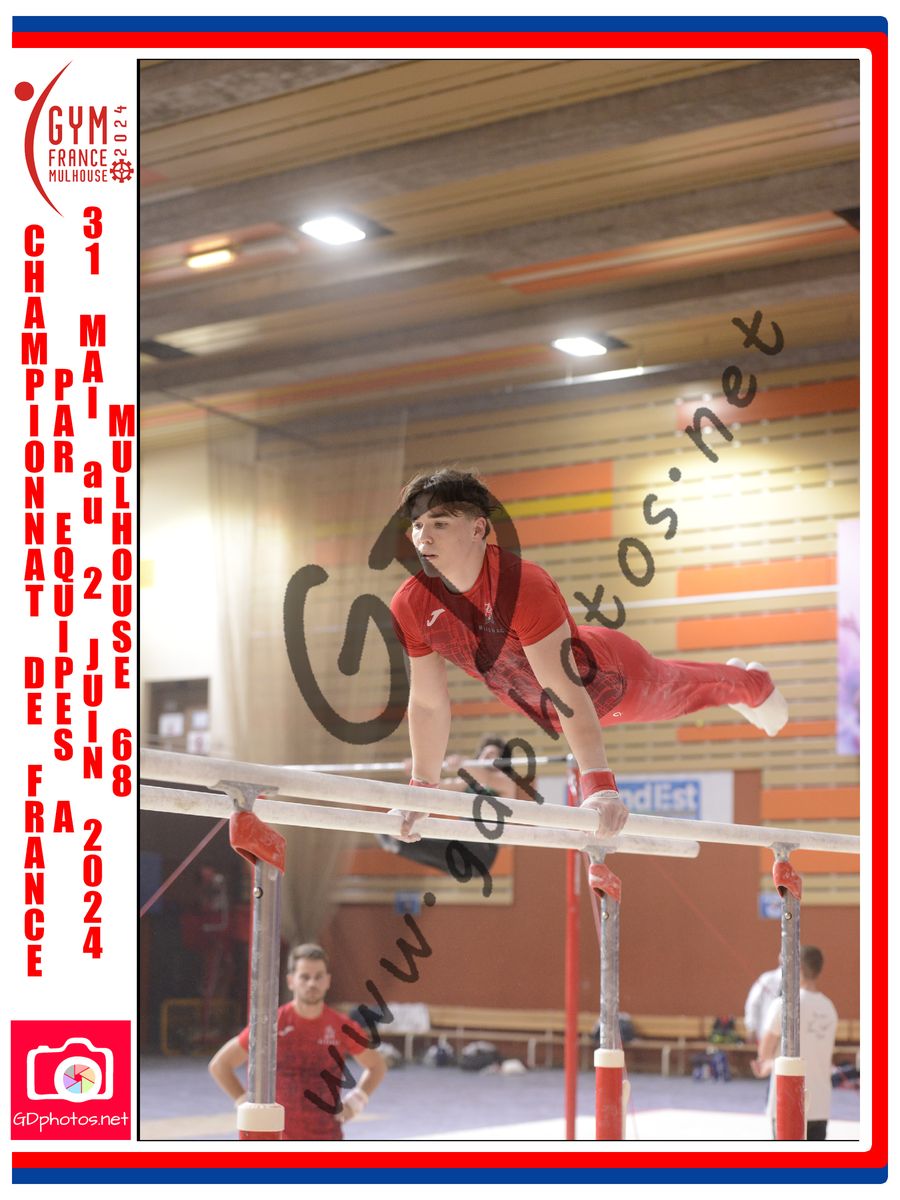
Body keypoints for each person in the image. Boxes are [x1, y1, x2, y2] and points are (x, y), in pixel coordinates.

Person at [388, 468, 788, 839]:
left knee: (684, 691)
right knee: (682, 685)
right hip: (545, 701)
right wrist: (422, 790)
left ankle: (752, 684)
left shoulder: (521, 585)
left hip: (609, 681)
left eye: (439, 523)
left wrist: (598, 784)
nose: (423, 538)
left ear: (478, 528)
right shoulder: (411, 604)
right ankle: (739, 680)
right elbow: (427, 703)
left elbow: (564, 688)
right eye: (417, 525)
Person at [209, 943, 386, 1140]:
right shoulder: (271, 1024)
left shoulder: (341, 1026)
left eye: (318, 977)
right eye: (305, 977)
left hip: (326, 1138)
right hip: (277, 1138)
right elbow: (220, 1065)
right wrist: (245, 1103)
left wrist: (356, 1101)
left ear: (328, 981)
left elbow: (377, 1065)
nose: (312, 983)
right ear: (291, 981)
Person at [378, 732, 525, 873]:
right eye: (485, 755)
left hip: (482, 849)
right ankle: (397, 842)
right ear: (478, 758)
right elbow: (436, 787)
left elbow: (488, 778)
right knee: (397, 831)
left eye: (493, 756)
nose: (488, 758)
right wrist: (418, 771)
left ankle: (398, 842)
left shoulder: (506, 783)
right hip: (462, 842)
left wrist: (463, 764)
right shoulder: (465, 783)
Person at [751, 945, 838, 1139]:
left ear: (796, 968)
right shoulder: (829, 1008)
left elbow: (764, 1052)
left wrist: (766, 1063)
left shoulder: (784, 1005)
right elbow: (815, 1053)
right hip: (820, 1104)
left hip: (787, 1101)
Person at [744, 957, 782, 1044]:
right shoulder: (767, 979)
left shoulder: (800, 982)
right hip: (765, 1031)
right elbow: (752, 1003)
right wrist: (751, 1027)